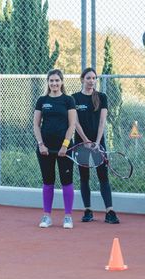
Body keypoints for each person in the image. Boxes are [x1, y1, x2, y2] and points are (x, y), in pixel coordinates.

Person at [72, 67, 119, 224]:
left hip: (98, 143)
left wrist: (97, 143)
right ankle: (88, 210)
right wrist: (85, 141)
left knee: (103, 176)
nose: (91, 81)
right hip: (81, 144)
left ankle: (110, 211)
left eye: (94, 78)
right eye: (88, 78)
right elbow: (75, 122)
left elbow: (102, 122)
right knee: (84, 177)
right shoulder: (74, 98)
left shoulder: (101, 97)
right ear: (82, 79)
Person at [33, 69, 77, 229]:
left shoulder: (68, 100)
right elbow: (36, 125)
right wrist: (41, 144)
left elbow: (72, 125)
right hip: (45, 149)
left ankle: (68, 217)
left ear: (62, 82)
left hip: (64, 149)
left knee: (66, 182)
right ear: (48, 82)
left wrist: (65, 145)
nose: (54, 83)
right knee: (47, 181)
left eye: (57, 80)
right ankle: (46, 216)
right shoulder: (41, 100)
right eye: (51, 81)